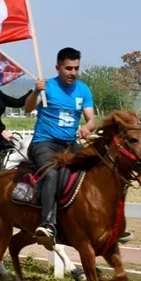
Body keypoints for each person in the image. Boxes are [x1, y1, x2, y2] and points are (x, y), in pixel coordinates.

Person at [24, 47, 96, 249]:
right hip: (44, 144)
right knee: (51, 174)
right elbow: (28, 108)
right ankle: (47, 224)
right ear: (58, 68)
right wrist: (36, 91)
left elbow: (91, 120)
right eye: (68, 68)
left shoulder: (83, 90)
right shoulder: (46, 87)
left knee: (97, 168)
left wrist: (87, 128)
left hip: (70, 144)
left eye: (76, 68)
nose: (73, 72)